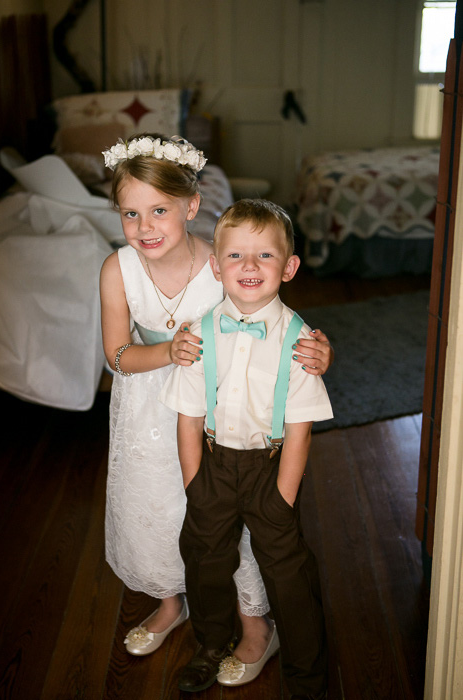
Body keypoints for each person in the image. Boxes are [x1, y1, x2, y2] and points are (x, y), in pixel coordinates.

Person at [99, 134, 333, 678]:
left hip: (223, 416)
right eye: (130, 214)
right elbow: (116, 354)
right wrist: (166, 350)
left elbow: (269, 319)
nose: (145, 227)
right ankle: (170, 602)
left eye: (159, 210)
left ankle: (255, 625)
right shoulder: (118, 269)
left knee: (232, 525)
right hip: (147, 409)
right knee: (160, 513)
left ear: (192, 206)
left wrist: (321, 348)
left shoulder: (223, 262)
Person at [160, 198, 333, 699]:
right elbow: (188, 416)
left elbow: (299, 429)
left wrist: (282, 497)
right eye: (235, 256)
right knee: (204, 557)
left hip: (270, 466)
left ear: (290, 266)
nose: (250, 267)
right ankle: (212, 644)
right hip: (212, 464)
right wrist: (195, 482)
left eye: (265, 256)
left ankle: (307, 672)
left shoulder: (301, 344)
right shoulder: (197, 336)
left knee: (287, 569)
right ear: (216, 265)